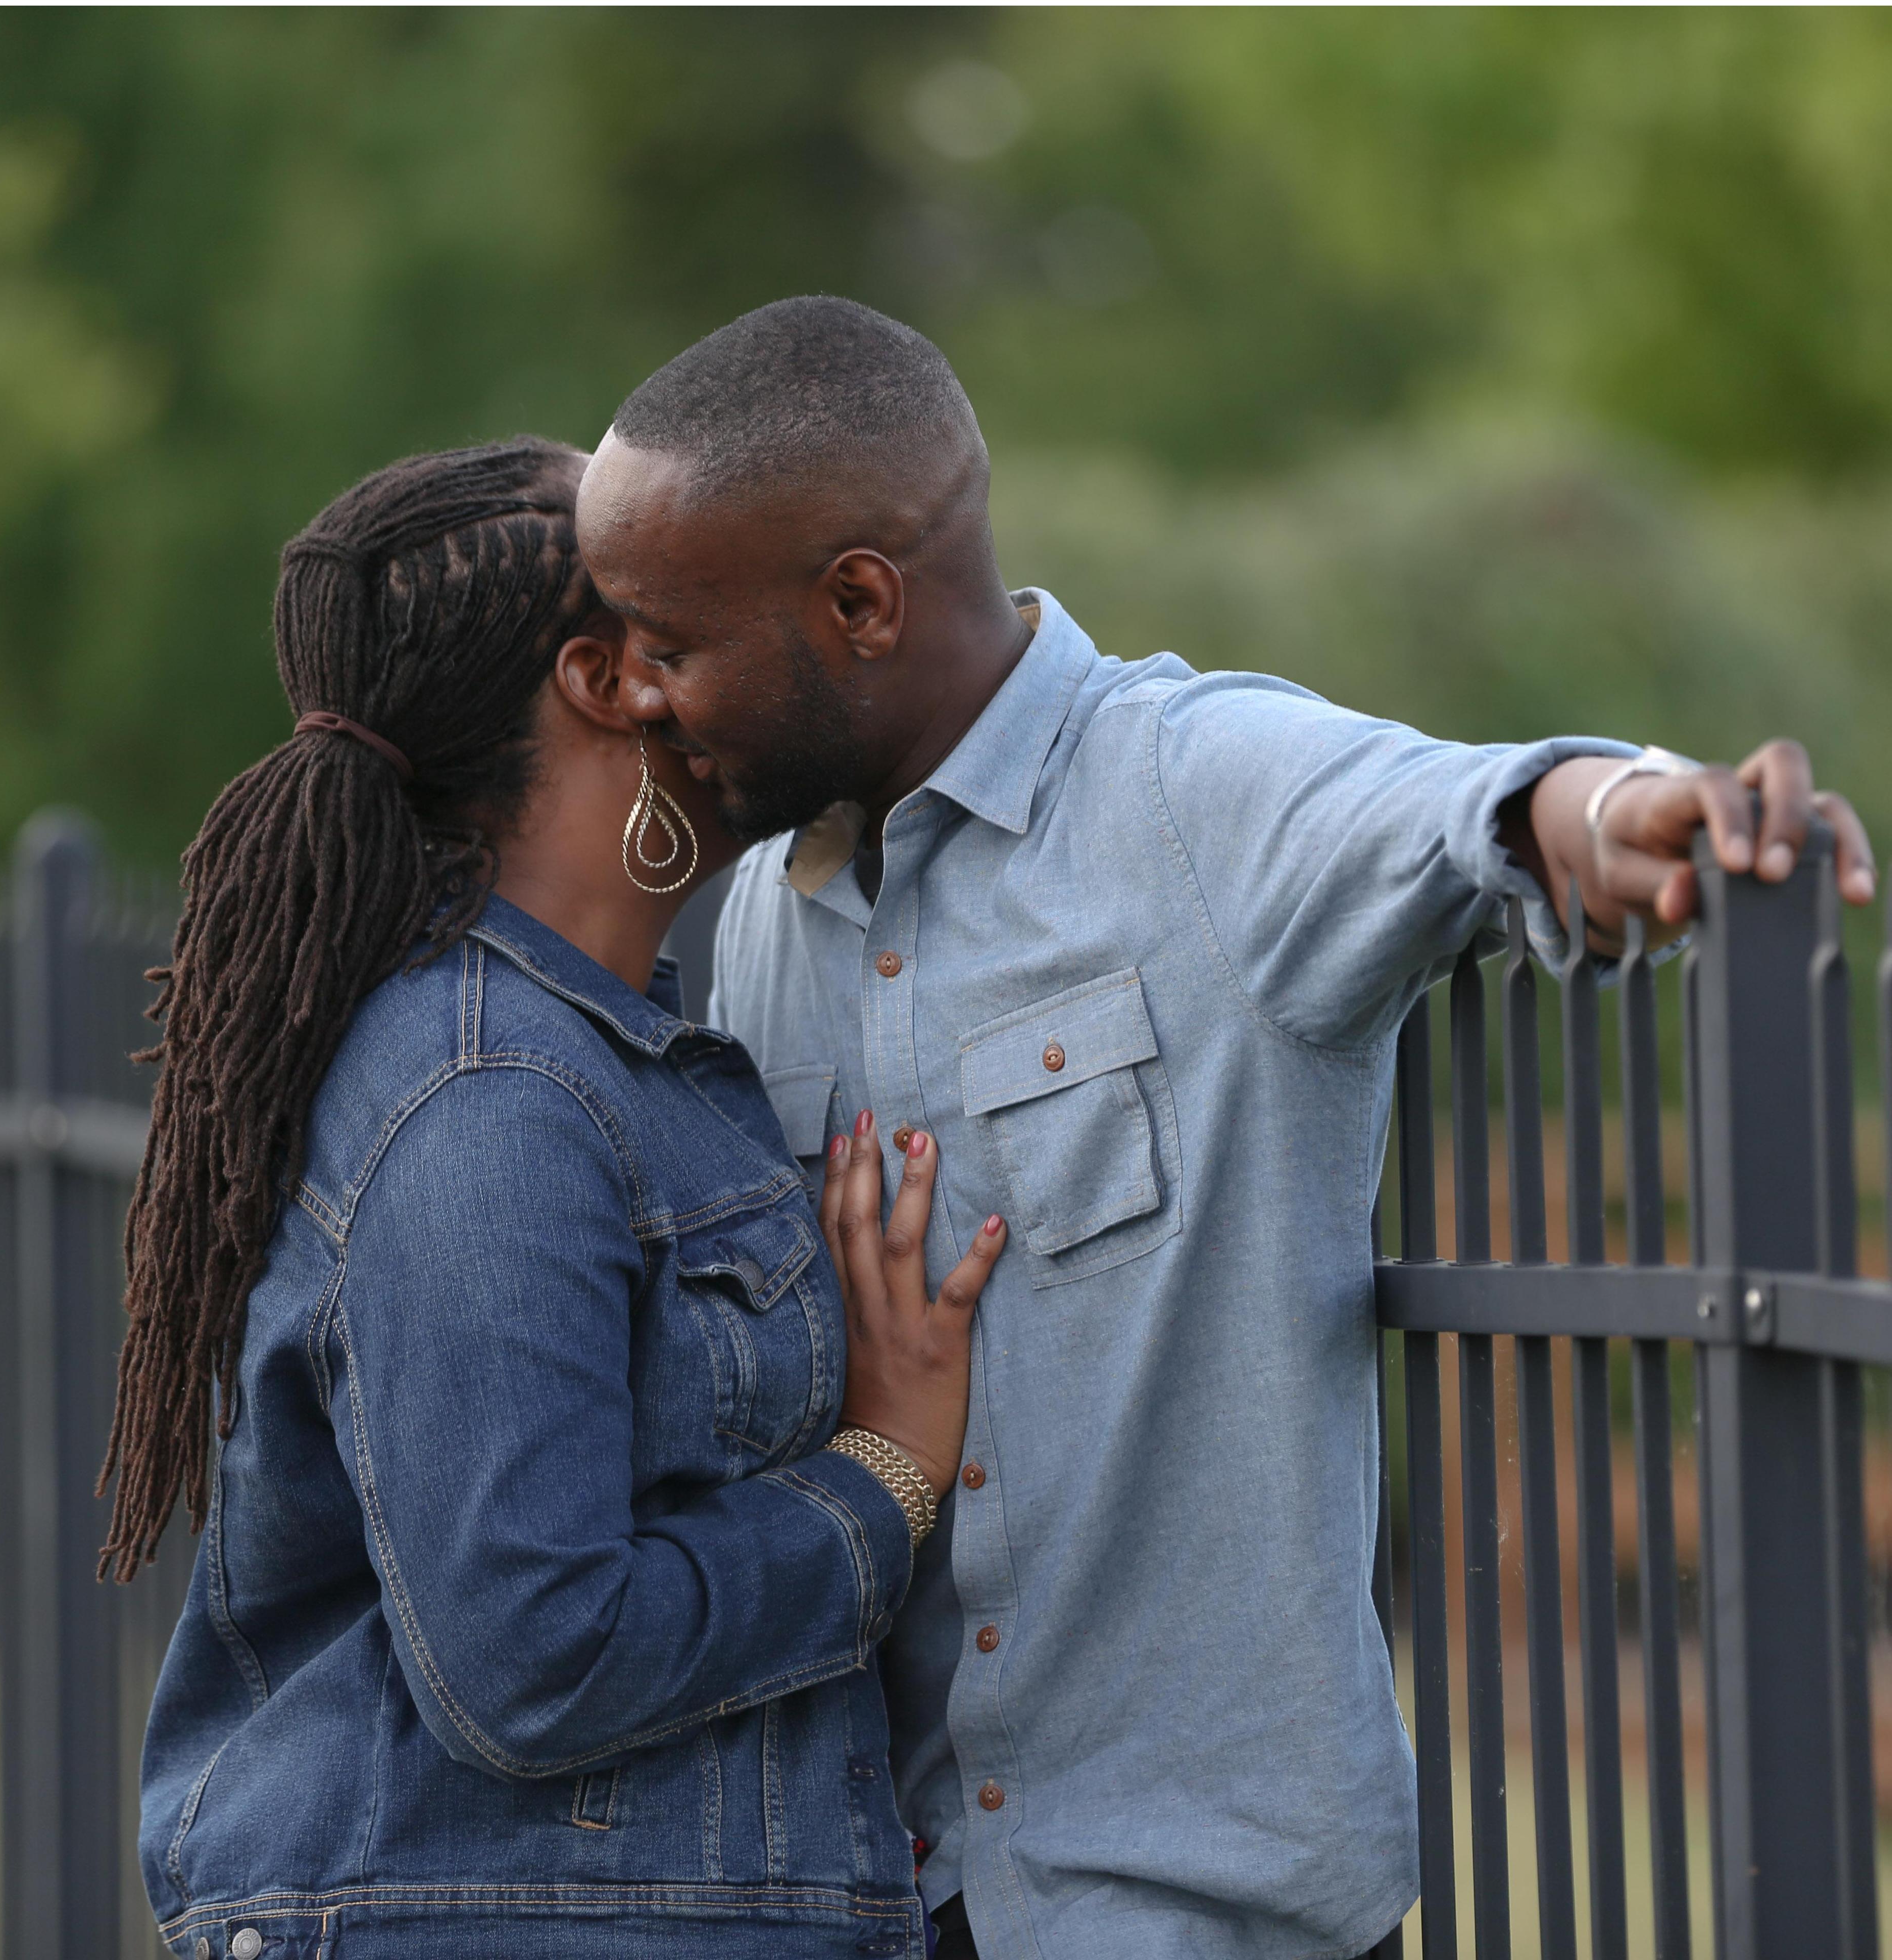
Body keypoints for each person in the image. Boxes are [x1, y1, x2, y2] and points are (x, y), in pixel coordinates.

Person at [572, 297, 1877, 1960]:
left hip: (1198, 1920)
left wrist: (1636, 815)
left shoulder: (1198, 792)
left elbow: (1458, 806)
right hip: (888, 1904)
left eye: (672, 645)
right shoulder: (761, 914)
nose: (643, 700)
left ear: (858, 602)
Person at [100, 436, 1010, 1960]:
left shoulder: (581, 1050)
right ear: (609, 680)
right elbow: (535, 1656)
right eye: (694, 613)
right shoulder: (493, 1100)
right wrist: (883, 1480)